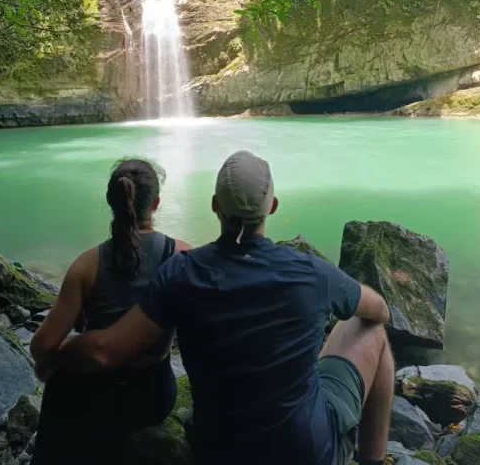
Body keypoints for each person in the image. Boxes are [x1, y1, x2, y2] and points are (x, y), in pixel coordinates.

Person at [54, 150, 394, 465]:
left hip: (218, 450)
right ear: (272, 206)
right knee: (368, 328)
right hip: (305, 453)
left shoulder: (180, 273)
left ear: (215, 206)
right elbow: (379, 310)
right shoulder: (311, 272)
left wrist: (57, 355)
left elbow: (105, 350)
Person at [30, 158, 191, 465]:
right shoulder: (181, 255)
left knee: (60, 385)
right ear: (155, 204)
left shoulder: (87, 264)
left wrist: (55, 363)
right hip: (153, 396)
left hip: (92, 396)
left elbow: (42, 346)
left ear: (110, 201)